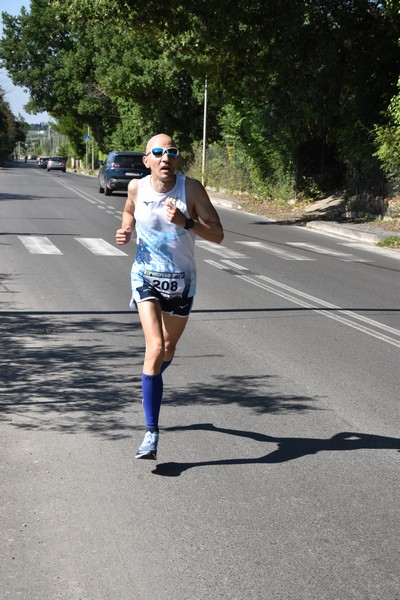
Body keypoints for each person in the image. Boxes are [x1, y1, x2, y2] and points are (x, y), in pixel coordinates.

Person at [116, 133, 224, 459]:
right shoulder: (137, 187)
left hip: (181, 283)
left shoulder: (190, 189)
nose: (166, 158)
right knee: (156, 347)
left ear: (177, 158)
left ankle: (149, 382)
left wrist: (187, 222)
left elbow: (217, 234)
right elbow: (128, 211)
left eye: (171, 152)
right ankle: (151, 433)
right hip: (145, 277)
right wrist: (125, 229)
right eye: (158, 152)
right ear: (147, 160)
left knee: (168, 348)